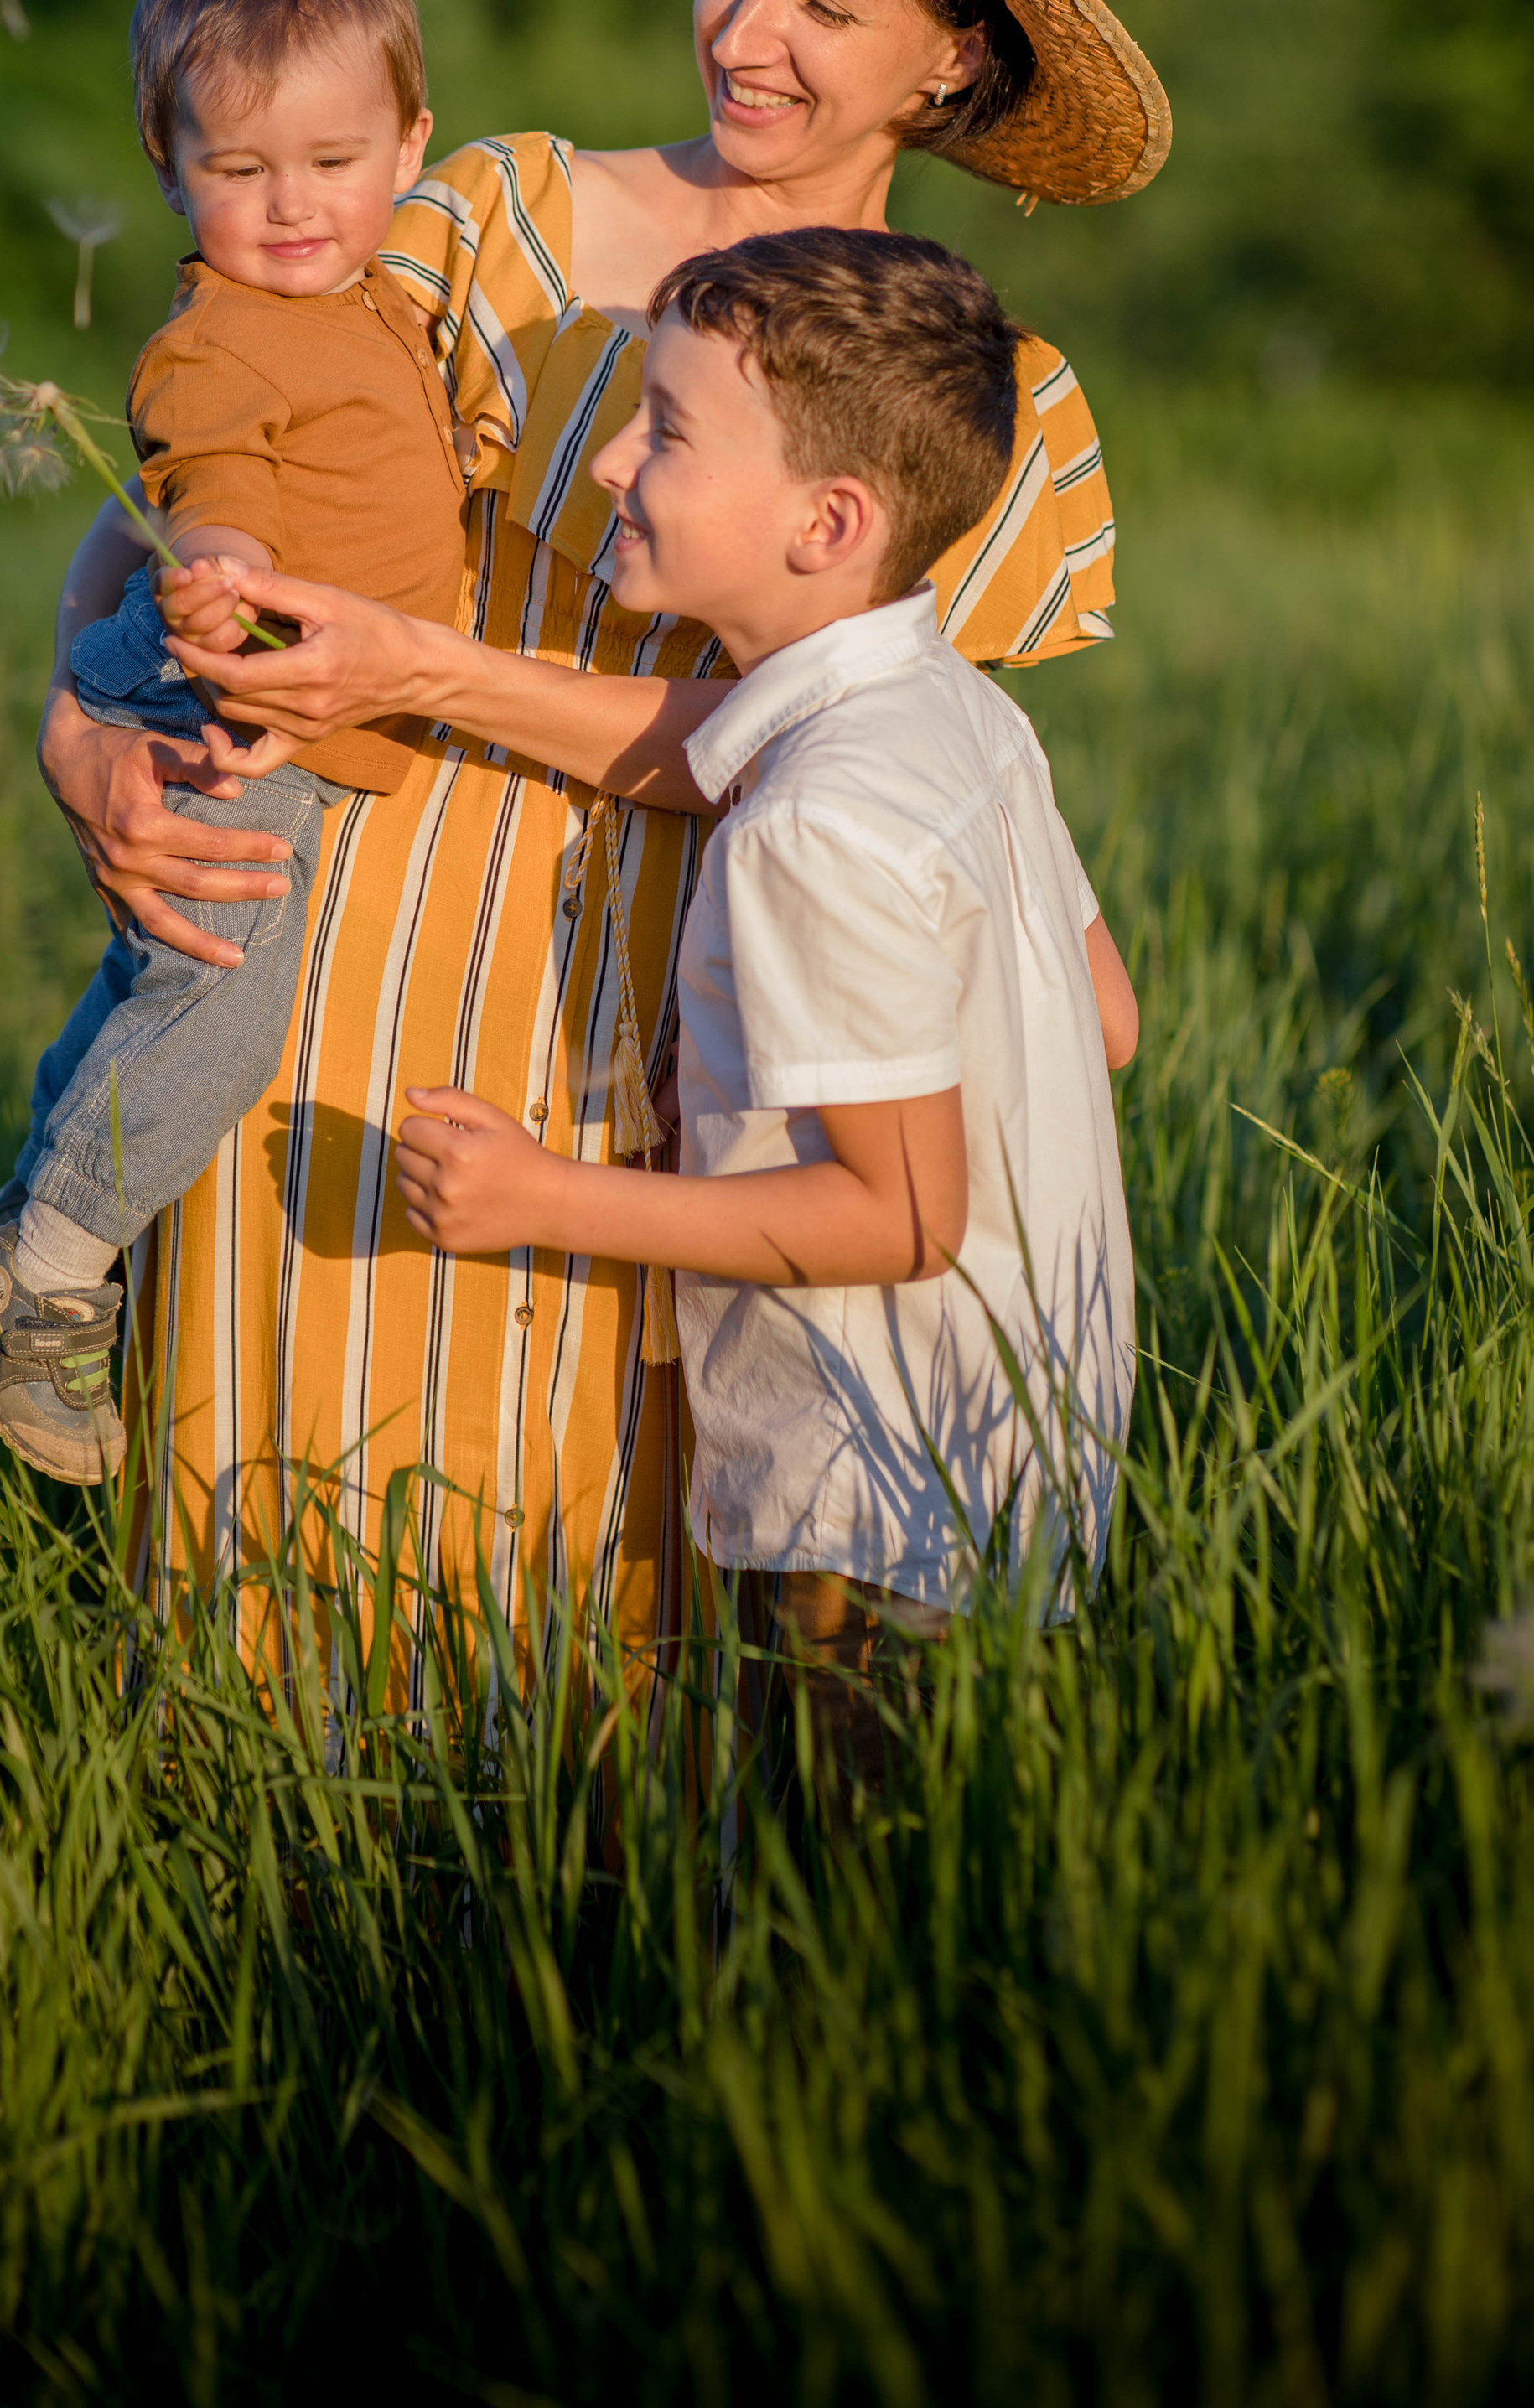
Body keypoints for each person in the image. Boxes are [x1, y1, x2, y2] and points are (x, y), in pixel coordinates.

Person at [35, 0, 1165, 1685]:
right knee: (298, 1533)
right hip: (370, 943)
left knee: (604, 1586)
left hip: (702, 1010)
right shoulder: (497, 219)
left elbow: (848, 766)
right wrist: (75, 718)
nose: (743, 34)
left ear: (952, 54)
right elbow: (192, 471)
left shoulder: (986, 411)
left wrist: (432, 663)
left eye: (827, 3)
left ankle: (555, 1964)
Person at [391, 229, 1136, 1782]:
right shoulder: (967, 719)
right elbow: (1106, 1018)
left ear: (829, 521)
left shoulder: (814, 814)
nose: (605, 464)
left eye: (664, 428)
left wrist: (540, 1194)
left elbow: (902, 1218)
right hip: (1011, 1457)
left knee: (837, 1943)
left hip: (873, 1510)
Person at [0, 0, 463, 1482]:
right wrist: (218, 573)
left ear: (410, 147)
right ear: (167, 166)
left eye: (333, 159)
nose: (292, 205)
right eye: (240, 168)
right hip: (219, 699)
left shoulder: (372, 299)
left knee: (161, 982)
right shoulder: (221, 342)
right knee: (222, 1010)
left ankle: (22, 1213)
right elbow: (217, 489)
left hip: (220, 693)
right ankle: (49, 1273)